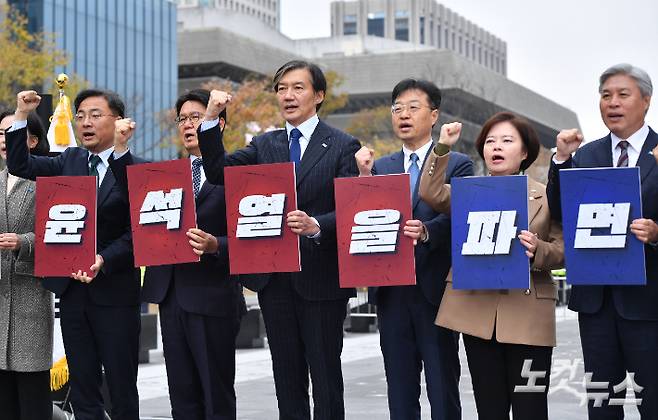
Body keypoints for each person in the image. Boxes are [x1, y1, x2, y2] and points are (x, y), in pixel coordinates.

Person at [197, 60, 361, 420]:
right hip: (274, 281)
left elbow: (353, 210)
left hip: (321, 281)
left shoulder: (343, 145)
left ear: (318, 95)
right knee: (286, 379)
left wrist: (317, 224)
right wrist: (210, 117)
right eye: (282, 88)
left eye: (297, 88)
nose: (288, 95)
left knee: (326, 378)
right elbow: (218, 170)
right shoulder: (264, 144)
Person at [6, 89, 143, 420]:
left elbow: (137, 230)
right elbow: (20, 163)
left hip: (115, 294)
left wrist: (104, 259)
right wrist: (22, 116)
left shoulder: (137, 168)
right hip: (73, 294)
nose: (85, 122)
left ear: (120, 121)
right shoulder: (70, 161)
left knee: (121, 388)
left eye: (96, 115)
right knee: (83, 387)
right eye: (80, 115)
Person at [110, 89, 246, 420]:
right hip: (170, 298)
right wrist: (120, 147)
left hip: (213, 298)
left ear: (218, 124)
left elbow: (251, 235)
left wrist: (217, 245)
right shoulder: (166, 174)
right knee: (181, 398)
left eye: (196, 117)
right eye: (182, 119)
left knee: (216, 396)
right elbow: (129, 186)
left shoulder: (236, 172)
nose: (187, 125)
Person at [419, 112, 564, 420]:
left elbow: (562, 249)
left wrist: (538, 250)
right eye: (490, 141)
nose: (496, 147)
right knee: (490, 408)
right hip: (479, 316)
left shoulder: (546, 194)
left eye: (507, 141)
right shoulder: (468, 190)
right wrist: (443, 146)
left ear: (524, 152)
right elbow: (431, 193)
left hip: (529, 318)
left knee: (531, 408)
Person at [353, 78, 472, 420]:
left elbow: (461, 216)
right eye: (397, 109)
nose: (403, 115)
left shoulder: (458, 163)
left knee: (442, 389)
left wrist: (428, 232)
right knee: (400, 393)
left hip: (436, 293)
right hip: (392, 295)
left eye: (413, 108)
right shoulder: (381, 166)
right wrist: (362, 177)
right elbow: (362, 217)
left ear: (433, 115)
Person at [546, 63, 658, 419]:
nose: (613, 103)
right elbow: (559, 210)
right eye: (606, 95)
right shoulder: (587, 155)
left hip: (648, 302)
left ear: (646, 101)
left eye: (623, 95)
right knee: (603, 401)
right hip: (597, 303)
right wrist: (562, 159)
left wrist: (656, 233)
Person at [0, 110, 53, 420]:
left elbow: (60, 231)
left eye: (12, 132)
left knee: (32, 397)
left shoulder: (46, 181)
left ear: (32, 140)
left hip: (30, 297)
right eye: (1, 134)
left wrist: (25, 242)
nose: (5, 140)